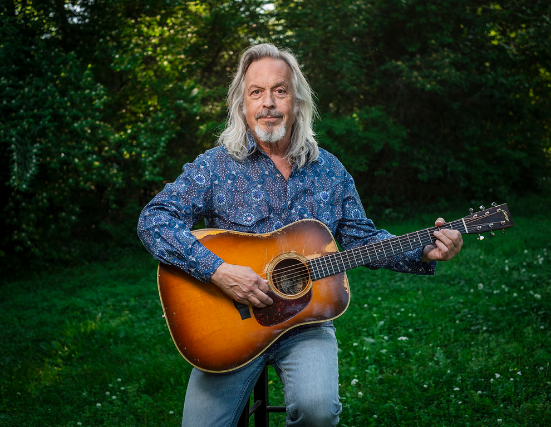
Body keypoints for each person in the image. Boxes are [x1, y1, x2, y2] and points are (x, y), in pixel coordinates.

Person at [137, 43, 463, 427]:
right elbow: (154, 219)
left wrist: (424, 250)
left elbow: (361, 240)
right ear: (242, 103)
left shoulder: (330, 171)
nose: (268, 103)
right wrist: (219, 271)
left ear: (298, 100)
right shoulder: (215, 167)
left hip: (305, 325)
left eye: (280, 90)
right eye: (256, 92)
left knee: (318, 411)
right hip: (228, 327)